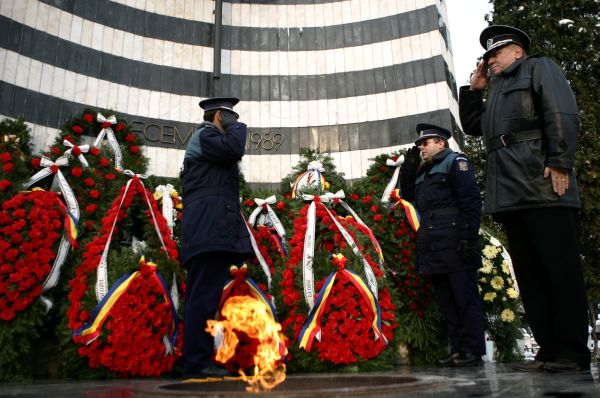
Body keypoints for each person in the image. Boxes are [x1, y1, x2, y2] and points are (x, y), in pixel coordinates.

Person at [459, 25, 590, 373]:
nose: (490, 61)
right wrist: (473, 91)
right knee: (530, 275)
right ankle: (548, 348)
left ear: (517, 51)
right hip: (511, 192)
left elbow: (560, 113)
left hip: (544, 186)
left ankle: (572, 351)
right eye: (486, 57)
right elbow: (476, 126)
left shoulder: (538, 67)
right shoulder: (496, 88)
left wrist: (560, 161)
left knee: (559, 270)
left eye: (495, 54)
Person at [400, 123, 485, 367]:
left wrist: (469, 237)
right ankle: (458, 349)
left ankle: (472, 350)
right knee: (446, 302)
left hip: (455, 242)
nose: (421, 148)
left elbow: (470, 202)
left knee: (464, 298)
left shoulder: (456, 163)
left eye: (425, 143)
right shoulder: (423, 171)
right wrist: (408, 169)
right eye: (419, 144)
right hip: (432, 243)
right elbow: (409, 198)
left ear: (441, 143)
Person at [180, 97, 253, 379]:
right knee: (203, 298)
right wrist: (238, 125)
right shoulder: (206, 135)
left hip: (215, 230)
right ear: (220, 117)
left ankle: (209, 359)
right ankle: (197, 363)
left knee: (211, 299)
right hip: (208, 231)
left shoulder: (210, 143)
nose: (235, 123)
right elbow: (235, 148)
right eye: (230, 118)